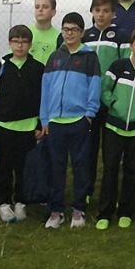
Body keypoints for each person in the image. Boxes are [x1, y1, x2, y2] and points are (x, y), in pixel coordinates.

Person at [40, 12, 102, 229]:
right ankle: (56, 210)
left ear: (82, 32)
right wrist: (45, 118)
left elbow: (95, 87)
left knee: (80, 165)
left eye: (74, 30)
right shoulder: (55, 57)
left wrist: (89, 115)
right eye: (66, 29)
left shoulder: (90, 57)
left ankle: (78, 209)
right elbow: (45, 90)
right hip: (56, 122)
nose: (69, 33)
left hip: (79, 121)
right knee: (56, 166)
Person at [96, 28, 135, 230]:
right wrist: (113, 104)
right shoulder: (118, 66)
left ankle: (125, 212)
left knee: (132, 171)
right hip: (114, 127)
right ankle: (105, 212)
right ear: (131, 46)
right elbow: (105, 89)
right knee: (110, 169)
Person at [0, 25, 44, 223]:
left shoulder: (37, 68)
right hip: (4, 126)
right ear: (10, 43)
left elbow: (41, 97)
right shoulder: (2, 65)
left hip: (28, 127)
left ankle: (20, 201)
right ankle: (3, 202)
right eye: (16, 41)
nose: (20, 45)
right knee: (4, 166)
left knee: (23, 167)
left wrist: (39, 124)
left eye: (24, 41)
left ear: (30, 44)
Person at [83, 0, 128, 201]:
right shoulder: (85, 36)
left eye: (106, 11)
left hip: (111, 103)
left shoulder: (121, 36)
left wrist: (115, 98)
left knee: (111, 153)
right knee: (89, 150)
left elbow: (126, 67)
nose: (101, 15)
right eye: (97, 10)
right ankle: (87, 191)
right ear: (92, 12)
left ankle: (112, 194)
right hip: (88, 103)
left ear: (113, 14)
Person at [28, 0, 62, 64]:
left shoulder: (59, 37)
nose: (40, 9)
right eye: (37, 7)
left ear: (53, 12)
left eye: (45, 7)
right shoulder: (25, 33)